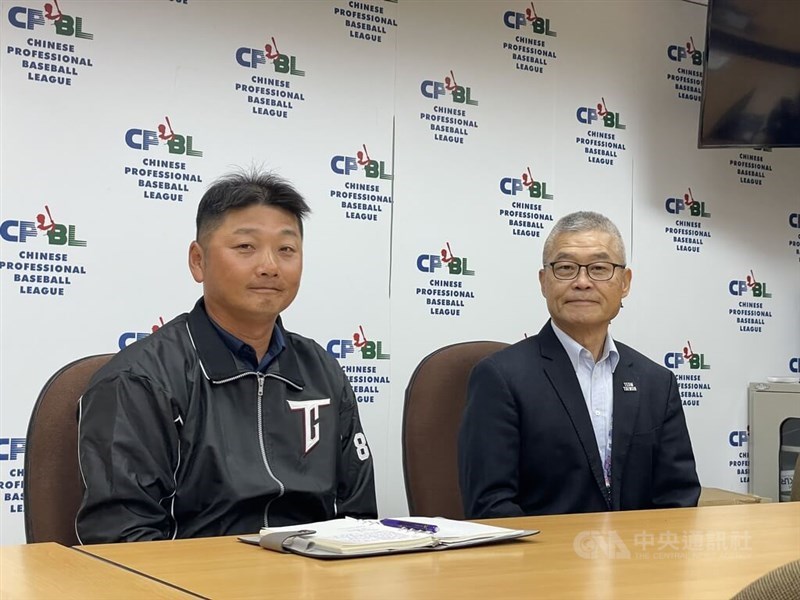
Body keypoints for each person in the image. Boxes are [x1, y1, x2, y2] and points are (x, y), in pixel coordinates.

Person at [76, 171, 377, 543]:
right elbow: (121, 540)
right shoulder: (140, 380)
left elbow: (358, 518)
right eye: (245, 247)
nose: (270, 265)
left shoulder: (322, 369)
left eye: (287, 249)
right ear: (198, 261)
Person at [458, 211, 700, 518]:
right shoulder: (500, 377)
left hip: (639, 560)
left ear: (624, 283)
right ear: (544, 282)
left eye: (599, 268)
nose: (582, 282)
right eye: (566, 268)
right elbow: (491, 505)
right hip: (544, 562)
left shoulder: (656, 382)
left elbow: (678, 497)